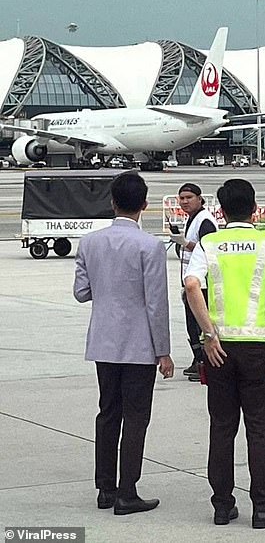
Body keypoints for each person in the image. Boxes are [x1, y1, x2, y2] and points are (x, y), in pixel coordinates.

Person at [184, 178, 265, 529]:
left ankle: (222, 505)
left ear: (220, 209)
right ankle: (263, 507)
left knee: (221, 426)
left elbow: (191, 285)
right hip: (259, 348)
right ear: (255, 209)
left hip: (219, 349)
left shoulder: (208, 243)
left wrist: (207, 334)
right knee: (259, 429)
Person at [73, 172, 174, 516]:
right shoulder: (150, 246)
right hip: (139, 346)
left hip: (103, 341)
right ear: (144, 205)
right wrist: (164, 351)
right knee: (136, 417)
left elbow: (81, 292)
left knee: (108, 413)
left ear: (112, 202)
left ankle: (105, 488)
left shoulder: (90, 243)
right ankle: (127, 491)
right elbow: (156, 303)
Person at [169, 183, 217, 381]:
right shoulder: (193, 219)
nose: (185, 201)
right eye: (182, 198)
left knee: (199, 325)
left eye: (189, 197)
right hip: (191, 282)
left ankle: (205, 363)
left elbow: (209, 249)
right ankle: (197, 360)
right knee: (191, 325)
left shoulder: (205, 221)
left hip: (202, 285)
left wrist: (186, 243)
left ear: (200, 198)